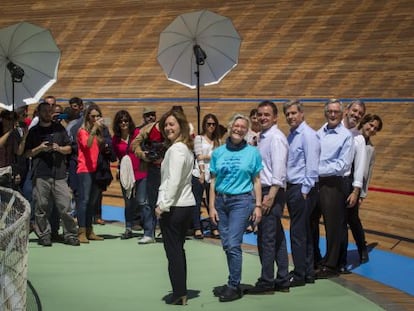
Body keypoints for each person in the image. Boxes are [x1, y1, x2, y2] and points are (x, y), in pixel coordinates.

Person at [209, 114, 263, 302]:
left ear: (246, 131)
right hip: (221, 202)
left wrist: (257, 205)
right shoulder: (218, 152)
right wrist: (211, 207)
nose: (239, 129)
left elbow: (256, 180)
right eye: (236, 126)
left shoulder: (252, 152)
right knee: (227, 245)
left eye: (243, 127)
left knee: (233, 243)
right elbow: (213, 181)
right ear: (231, 127)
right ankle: (233, 281)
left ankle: (234, 285)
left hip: (242, 201)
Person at [246, 100, 290, 295]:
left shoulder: (276, 138)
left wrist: (271, 196)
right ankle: (281, 278)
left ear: (275, 117)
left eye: (267, 115)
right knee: (277, 237)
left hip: (270, 191)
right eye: (260, 114)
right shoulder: (263, 137)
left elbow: (279, 170)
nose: (262, 117)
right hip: (265, 190)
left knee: (267, 238)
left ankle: (267, 281)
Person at [154, 109, 195, 305]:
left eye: (172, 124)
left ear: (181, 126)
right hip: (184, 205)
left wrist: (163, 205)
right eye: (165, 125)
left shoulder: (177, 150)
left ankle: (179, 293)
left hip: (176, 207)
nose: (168, 128)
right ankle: (181, 290)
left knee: (173, 252)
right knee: (178, 250)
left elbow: (174, 180)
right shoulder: (184, 148)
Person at [24, 102, 79, 246]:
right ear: (39, 112)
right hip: (41, 173)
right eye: (45, 111)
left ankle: (70, 234)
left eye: (50, 111)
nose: (48, 113)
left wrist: (59, 148)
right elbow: (26, 153)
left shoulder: (59, 129)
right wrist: (40, 148)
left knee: (65, 206)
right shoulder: (34, 131)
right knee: (41, 207)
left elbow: (69, 148)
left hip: (59, 173)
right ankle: (44, 234)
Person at [283, 99, 320, 286]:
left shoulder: (308, 135)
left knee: (298, 232)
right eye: (287, 114)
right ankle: (307, 272)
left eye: (293, 113)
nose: (290, 116)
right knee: (303, 231)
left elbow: (312, 165)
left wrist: (305, 190)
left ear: (302, 113)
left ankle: (299, 275)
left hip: (301, 189)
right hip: (293, 188)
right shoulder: (292, 136)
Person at [315, 99, 354, 278]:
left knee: (333, 226)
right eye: (329, 111)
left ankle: (331, 265)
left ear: (342, 114)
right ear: (325, 113)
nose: (332, 114)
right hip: (316, 183)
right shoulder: (319, 133)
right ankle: (318, 259)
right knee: (312, 221)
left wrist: (317, 170)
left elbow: (342, 165)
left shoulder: (346, 136)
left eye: (336, 112)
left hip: (333, 184)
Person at [112, 110, 153, 242]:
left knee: (142, 201)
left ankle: (148, 232)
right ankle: (128, 228)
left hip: (140, 171)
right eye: (121, 121)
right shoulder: (115, 139)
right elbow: (116, 156)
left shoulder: (136, 134)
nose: (123, 123)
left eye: (126, 120)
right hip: (126, 173)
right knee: (128, 202)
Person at [76, 103, 111, 243]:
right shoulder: (82, 131)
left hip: (97, 169)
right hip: (85, 169)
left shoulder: (100, 130)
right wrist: (94, 129)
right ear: (87, 117)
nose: (96, 118)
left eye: (98, 116)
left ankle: (89, 230)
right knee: (84, 201)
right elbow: (87, 145)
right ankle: (81, 231)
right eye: (93, 116)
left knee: (92, 202)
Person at [339, 100, 368, 272]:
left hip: (349, 183)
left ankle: (361, 248)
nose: (356, 115)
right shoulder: (331, 128)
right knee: (337, 222)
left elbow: (360, 166)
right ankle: (337, 257)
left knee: (351, 219)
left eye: (360, 114)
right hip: (331, 182)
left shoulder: (359, 138)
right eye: (355, 111)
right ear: (347, 111)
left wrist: (356, 191)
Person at [132, 108, 164, 243]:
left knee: (167, 201)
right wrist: (143, 155)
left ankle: (166, 231)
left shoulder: (168, 127)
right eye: (148, 115)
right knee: (150, 201)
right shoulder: (147, 130)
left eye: (153, 115)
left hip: (168, 169)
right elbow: (134, 144)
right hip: (151, 169)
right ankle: (149, 233)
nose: (151, 117)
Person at [357, 114, 383, 262]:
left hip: (356, 188)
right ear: (364, 122)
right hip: (342, 184)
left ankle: (362, 248)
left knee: (353, 219)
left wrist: (362, 194)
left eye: (375, 129)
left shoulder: (371, 149)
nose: (372, 129)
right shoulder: (352, 137)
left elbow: (369, 172)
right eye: (371, 125)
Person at [192, 113, 221, 239]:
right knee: (197, 201)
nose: (211, 126)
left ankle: (214, 227)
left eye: (213, 124)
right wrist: (202, 172)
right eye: (209, 124)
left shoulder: (217, 141)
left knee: (213, 202)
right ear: (204, 125)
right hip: (200, 173)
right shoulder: (199, 138)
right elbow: (199, 156)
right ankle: (197, 228)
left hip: (213, 175)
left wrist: (208, 157)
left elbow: (219, 157)